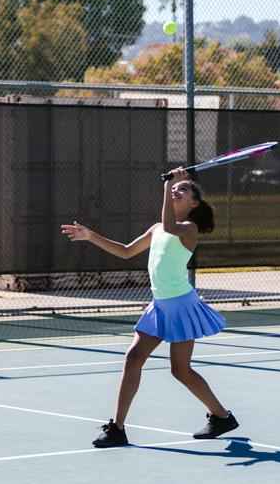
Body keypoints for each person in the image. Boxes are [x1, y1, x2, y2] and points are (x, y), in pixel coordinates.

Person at [60, 167, 239, 448]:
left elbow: (169, 225)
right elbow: (127, 251)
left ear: (194, 204)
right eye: (176, 189)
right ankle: (117, 428)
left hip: (181, 307)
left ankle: (221, 416)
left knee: (181, 371)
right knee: (133, 358)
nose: (177, 191)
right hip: (159, 306)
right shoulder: (157, 229)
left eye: (183, 190)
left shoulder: (187, 229)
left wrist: (167, 186)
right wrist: (90, 235)